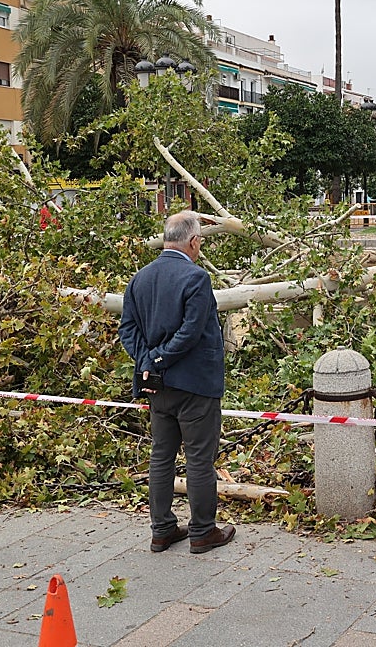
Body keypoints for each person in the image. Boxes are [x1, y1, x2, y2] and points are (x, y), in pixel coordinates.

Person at [119, 210, 235, 555]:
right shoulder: (196, 278)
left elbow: (127, 329)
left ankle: (162, 530)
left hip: (157, 386)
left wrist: (147, 363)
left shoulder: (140, 278)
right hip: (194, 384)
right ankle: (202, 531)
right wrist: (158, 359)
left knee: (161, 456)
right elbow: (191, 331)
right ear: (194, 241)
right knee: (199, 458)